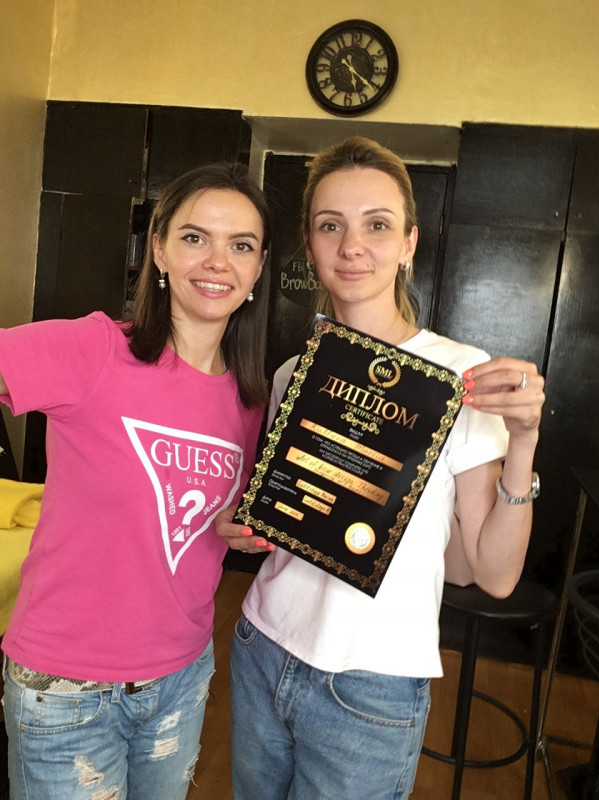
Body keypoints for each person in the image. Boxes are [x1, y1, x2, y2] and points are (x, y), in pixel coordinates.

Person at [217, 136, 545, 800]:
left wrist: (524, 442)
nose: (351, 246)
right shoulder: (293, 374)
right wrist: (244, 524)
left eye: (377, 225)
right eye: (330, 226)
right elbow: (287, 512)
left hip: (371, 683)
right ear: (310, 246)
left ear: (409, 243)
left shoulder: (460, 376)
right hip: (263, 645)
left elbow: (488, 574)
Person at [0, 162, 274, 800]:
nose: (217, 261)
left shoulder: (251, 400)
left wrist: (232, 527)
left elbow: (196, 516)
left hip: (181, 676)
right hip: (67, 688)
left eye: (241, 245)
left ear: (259, 268)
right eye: (194, 237)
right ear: (159, 250)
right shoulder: (97, 349)